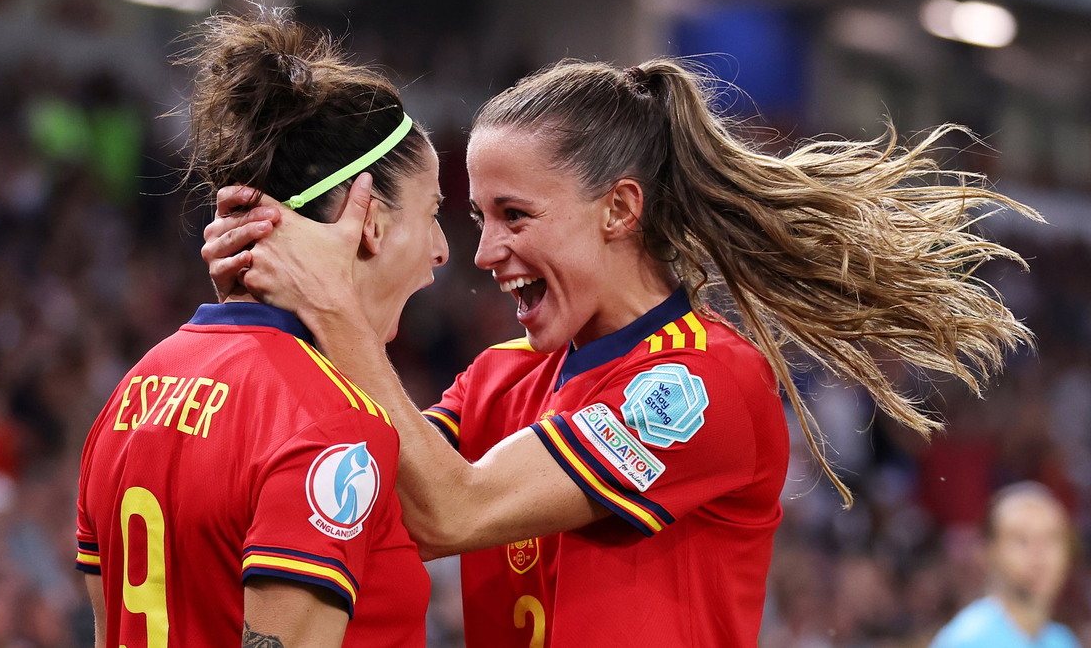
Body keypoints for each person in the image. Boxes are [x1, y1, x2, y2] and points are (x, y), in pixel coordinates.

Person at [204, 58, 1037, 646]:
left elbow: (452, 509)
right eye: (478, 219)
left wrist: (334, 305)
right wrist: (270, 303)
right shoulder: (502, 376)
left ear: (619, 209)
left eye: (515, 216)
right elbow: (357, 502)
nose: (485, 252)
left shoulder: (701, 382)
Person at [75, 9, 447, 648]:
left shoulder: (134, 390)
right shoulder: (333, 423)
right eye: (434, 213)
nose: (442, 249)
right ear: (373, 224)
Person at [930, 483, 1080, 648]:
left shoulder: (1063, 641)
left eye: (1051, 538)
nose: (1039, 553)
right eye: (1021, 540)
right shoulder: (966, 641)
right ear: (987, 552)